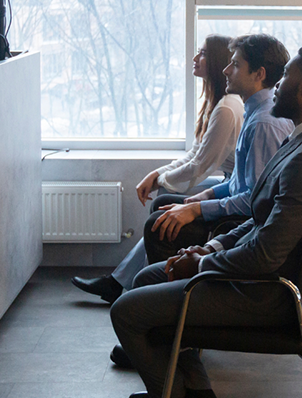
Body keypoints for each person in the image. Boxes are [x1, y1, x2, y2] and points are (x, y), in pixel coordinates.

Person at [110, 46, 302, 398]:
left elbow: (267, 253)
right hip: (258, 276)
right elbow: (260, 221)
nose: (276, 86)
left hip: (266, 296)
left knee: (126, 311)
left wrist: (201, 265)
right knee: (148, 278)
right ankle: (195, 397)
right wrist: (209, 249)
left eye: (286, 76)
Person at [72, 35, 243, 303]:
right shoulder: (218, 104)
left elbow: (200, 166)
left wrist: (161, 179)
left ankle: (145, 292)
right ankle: (123, 284)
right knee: (162, 204)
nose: (196, 59)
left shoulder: (228, 109)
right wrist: (157, 174)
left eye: (203, 53)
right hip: (228, 185)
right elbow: (196, 153)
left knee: (160, 210)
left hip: (232, 193)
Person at [139, 34, 294, 265]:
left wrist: (199, 209)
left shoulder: (264, 123)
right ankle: (148, 285)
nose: (226, 70)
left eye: (236, 64)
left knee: (157, 224)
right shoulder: (254, 110)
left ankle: (173, 292)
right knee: (164, 207)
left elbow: (256, 201)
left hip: (242, 223)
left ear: (259, 74)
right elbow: (242, 183)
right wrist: (207, 196)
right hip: (239, 207)